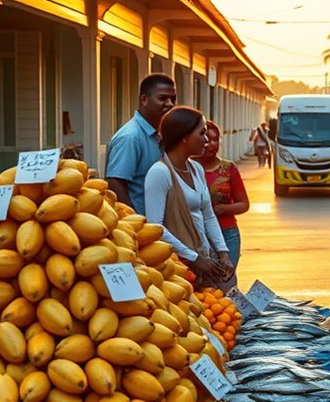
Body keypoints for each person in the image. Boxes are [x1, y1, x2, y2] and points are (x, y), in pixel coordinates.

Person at [144, 106, 234, 290]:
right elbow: (156, 227)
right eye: (202, 133)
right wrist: (194, 258)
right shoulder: (159, 173)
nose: (206, 140)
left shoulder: (196, 169)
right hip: (176, 266)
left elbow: (208, 215)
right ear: (184, 136)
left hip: (203, 256)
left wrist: (223, 252)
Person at [106, 73, 177, 215]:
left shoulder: (159, 133)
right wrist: (133, 219)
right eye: (162, 98)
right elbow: (115, 182)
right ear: (144, 99)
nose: (170, 104)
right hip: (141, 223)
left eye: (173, 99)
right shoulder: (130, 137)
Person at [192, 120, 250, 272]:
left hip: (227, 233)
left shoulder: (228, 169)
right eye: (206, 140)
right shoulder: (186, 168)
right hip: (194, 235)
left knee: (226, 278)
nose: (211, 144)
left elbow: (244, 204)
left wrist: (224, 208)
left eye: (215, 139)